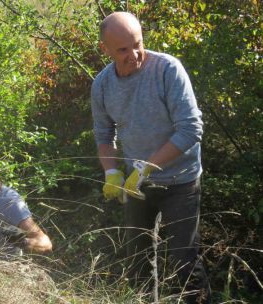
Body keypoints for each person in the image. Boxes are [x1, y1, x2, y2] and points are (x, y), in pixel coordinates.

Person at [90, 12, 211, 303]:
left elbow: (191, 129)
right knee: (138, 262)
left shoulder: (168, 69)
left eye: (137, 44)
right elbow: (104, 136)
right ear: (104, 49)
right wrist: (112, 173)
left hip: (180, 181)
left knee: (185, 262)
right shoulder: (103, 85)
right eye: (122, 50)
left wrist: (147, 167)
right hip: (136, 185)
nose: (134, 55)